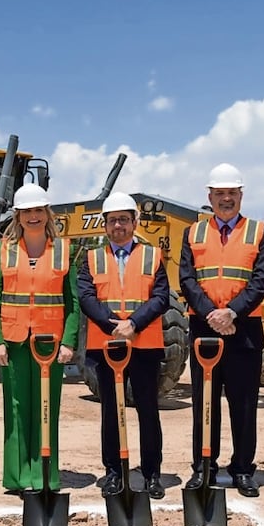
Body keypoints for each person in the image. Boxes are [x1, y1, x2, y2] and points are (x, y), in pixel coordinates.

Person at [179, 163, 264, 497]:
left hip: (243, 330)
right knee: (205, 404)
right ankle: (204, 467)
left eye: (232, 193)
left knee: (244, 404)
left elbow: (261, 280)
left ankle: (244, 469)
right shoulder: (193, 233)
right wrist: (212, 315)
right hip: (203, 329)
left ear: (241, 195)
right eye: (220, 194)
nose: (226, 199)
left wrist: (231, 312)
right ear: (210, 197)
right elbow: (187, 280)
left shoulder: (259, 231)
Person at [0, 183, 79, 493]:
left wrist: (68, 342)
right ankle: (17, 476)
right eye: (27, 211)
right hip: (13, 342)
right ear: (18, 216)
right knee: (16, 407)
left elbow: (73, 302)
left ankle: (45, 475)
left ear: (47, 213)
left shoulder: (64, 250)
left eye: (39, 210)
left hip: (49, 345)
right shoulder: (5, 249)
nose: (33, 216)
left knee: (46, 407)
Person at [78, 192, 170, 500]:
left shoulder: (152, 256)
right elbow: (86, 297)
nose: (119, 225)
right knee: (111, 411)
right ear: (105, 225)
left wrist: (134, 324)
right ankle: (114, 472)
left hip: (144, 345)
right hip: (108, 346)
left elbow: (160, 297)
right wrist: (112, 326)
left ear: (134, 222)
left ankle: (152, 473)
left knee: (147, 409)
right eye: (113, 220)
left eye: (124, 219)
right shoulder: (91, 258)